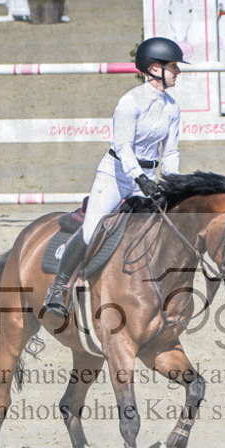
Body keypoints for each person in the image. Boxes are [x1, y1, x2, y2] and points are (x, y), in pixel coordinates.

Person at [43, 37, 186, 317]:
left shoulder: (172, 107)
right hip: (116, 174)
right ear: (155, 68)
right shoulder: (130, 102)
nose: (178, 72)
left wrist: (174, 184)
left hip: (146, 175)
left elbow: (170, 152)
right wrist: (139, 178)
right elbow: (123, 146)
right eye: (173, 66)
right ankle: (58, 288)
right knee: (92, 228)